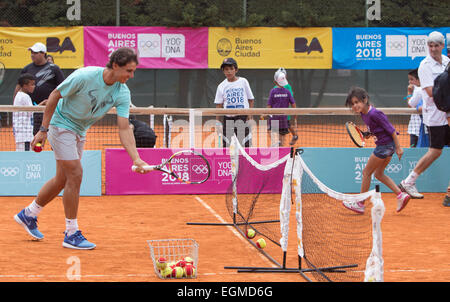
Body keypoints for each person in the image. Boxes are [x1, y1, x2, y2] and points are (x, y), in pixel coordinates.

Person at [14, 47, 150, 249]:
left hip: (80, 130)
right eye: (129, 71)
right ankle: (71, 232)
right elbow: (54, 95)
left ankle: (29, 214)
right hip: (61, 125)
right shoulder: (85, 76)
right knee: (75, 174)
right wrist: (43, 129)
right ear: (115, 65)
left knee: (62, 179)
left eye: (133, 71)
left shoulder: (122, 92)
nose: (131, 75)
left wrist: (136, 158)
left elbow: (124, 127)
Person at [399, 31, 450, 206]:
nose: (433, 49)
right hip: (435, 116)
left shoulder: (447, 62)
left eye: (436, 45)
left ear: (442, 46)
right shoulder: (424, 66)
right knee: (435, 151)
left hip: (447, 113)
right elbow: (430, 92)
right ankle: (408, 181)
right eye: (430, 45)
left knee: (437, 151)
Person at [342, 87, 411, 214]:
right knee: (378, 174)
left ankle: (360, 203)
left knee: (366, 172)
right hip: (387, 146)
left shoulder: (375, 113)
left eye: (357, 102)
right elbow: (377, 129)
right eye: (352, 104)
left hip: (385, 146)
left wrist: (399, 148)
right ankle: (401, 195)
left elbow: (391, 131)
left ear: (365, 99)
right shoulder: (364, 114)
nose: (355, 106)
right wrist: (369, 133)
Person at [14, 42, 65, 136]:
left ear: (43, 53)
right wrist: (14, 105)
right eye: (31, 52)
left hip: (51, 109)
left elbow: (63, 87)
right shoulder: (27, 68)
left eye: (35, 52)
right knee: (35, 138)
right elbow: (19, 86)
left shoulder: (54, 69)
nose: (32, 55)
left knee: (56, 138)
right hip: (34, 111)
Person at [214, 57, 254, 147]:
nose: (229, 72)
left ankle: (246, 160)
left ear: (236, 70)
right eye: (226, 69)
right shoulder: (221, 86)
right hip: (228, 119)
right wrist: (217, 122)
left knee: (245, 144)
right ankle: (226, 161)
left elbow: (250, 99)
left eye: (231, 69)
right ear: (223, 71)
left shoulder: (243, 82)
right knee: (226, 145)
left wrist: (250, 116)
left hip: (242, 117)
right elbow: (219, 105)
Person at [267, 70, 298, 147]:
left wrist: (268, 114)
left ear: (275, 82)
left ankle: (276, 142)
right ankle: (282, 149)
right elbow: (293, 103)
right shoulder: (287, 91)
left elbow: (269, 105)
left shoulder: (273, 91)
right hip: (284, 118)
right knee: (282, 137)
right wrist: (295, 113)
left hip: (274, 117)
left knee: (271, 131)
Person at [405, 69, 429, 148]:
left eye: (412, 79)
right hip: (421, 125)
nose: (410, 82)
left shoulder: (418, 90)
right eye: (409, 79)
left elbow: (410, 104)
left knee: (414, 149)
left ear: (419, 80)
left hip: (417, 128)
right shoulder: (425, 89)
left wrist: (409, 92)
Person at [13, 73, 36, 151]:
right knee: (25, 156)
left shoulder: (19, 95)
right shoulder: (25, 96)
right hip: (24, 134)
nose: (34, 86)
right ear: (25, 86)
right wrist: (43, 104)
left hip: (22, 133)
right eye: (32, 84)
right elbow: (32, 111)